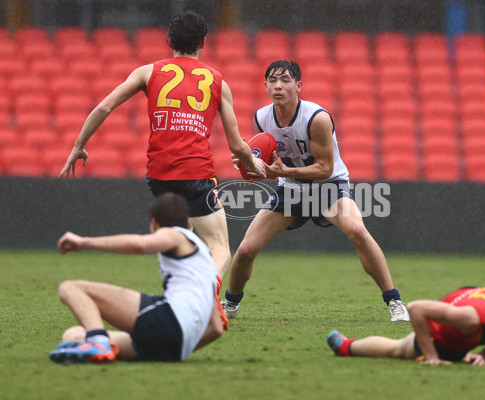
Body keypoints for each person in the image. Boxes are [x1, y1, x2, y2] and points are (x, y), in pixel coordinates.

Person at [59, 11, 266, 281]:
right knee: (220, 249)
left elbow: (104, 106)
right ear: (204, 42)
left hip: (159, 176)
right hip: (196, 174)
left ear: (169, 40)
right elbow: (237, 146)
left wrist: (79, 146)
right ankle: (202, 296)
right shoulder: (217, 82)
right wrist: (254, 163)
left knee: (181, 238)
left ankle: (179, 291)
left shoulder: (148, 71)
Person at [221, 60, 409, 322]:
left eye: (285, 80)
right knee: (245, 251)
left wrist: (281, 172)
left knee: (358, 231)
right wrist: (248, 162)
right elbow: (264, 160)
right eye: (272, 81)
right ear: (264, 86)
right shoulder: (261, 118)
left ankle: (394, 301)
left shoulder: (316, 118)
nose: (278, 86)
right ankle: (229, 304)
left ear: (298, 86)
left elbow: (324, 168)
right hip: (292, 189)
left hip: (328, 186)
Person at [49, 192, 224, 363]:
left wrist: (85, 242)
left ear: (154, 224)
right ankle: (98, 343)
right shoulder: (206, 261)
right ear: (188, 222)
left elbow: (141, 245)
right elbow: (216, 328)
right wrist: (179, 348)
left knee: (70, 288)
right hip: (174, 347)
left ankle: (99, 344)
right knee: (73, 335)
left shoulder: (174, 233)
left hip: (167, 320)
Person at [327, 286, 485, 366]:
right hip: (447, 332)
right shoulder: (471, 321)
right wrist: (431, 355)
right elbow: (416, 309)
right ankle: (345, 346)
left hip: (466, 296)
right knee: (398, 349)